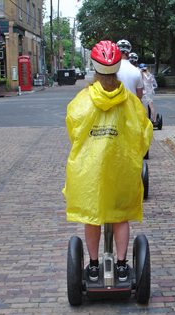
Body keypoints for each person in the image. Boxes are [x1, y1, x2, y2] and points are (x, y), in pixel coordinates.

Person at [63, 40, 153, 282]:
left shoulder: (82, 101)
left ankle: (93, 266)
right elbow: (144, 134)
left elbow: (74, 132)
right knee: (120, 215)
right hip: (121, 170)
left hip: (89, 172)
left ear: (95, 68)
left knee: (93, 216)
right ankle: (122, 266)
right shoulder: (131, 103)